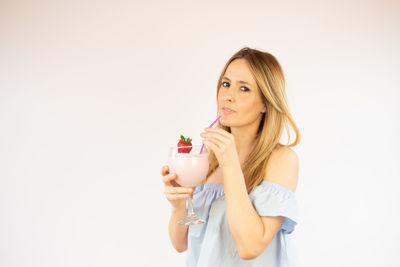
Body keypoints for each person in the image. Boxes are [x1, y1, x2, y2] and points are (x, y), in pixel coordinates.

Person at [161, 47, 301, 266]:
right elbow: (180, 244)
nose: (228, 96)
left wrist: (230, 164)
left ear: (265, 103)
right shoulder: (206, 159)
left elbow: (250, 247)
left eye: (244, 88)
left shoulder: (281, 160)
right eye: (226, 84)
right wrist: (179, 206)